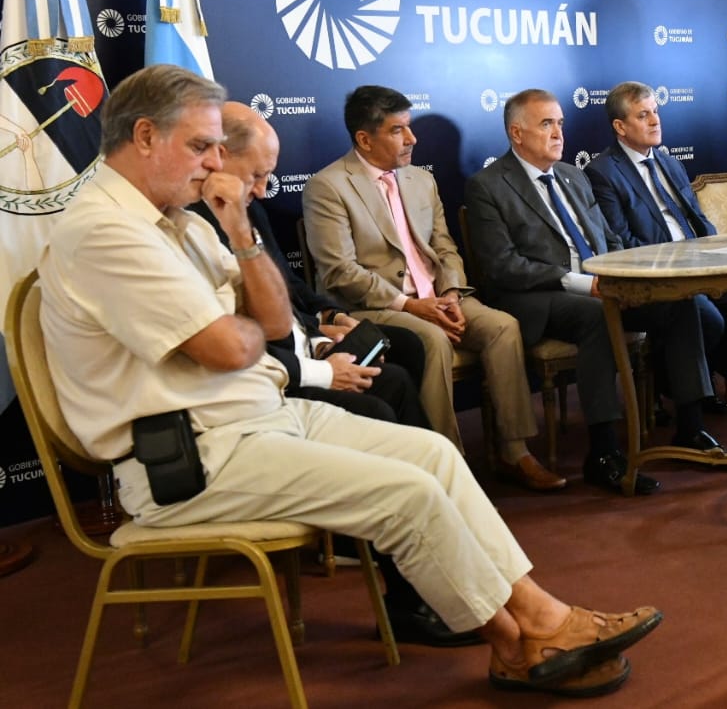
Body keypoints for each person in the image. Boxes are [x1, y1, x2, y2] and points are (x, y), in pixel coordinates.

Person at [37, 64, 661, 697]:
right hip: (187, 459)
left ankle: (536, 622)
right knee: (408, 495)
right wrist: (244, 328)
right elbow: (231, 348)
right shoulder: (103, 230)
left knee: (436, 456)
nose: (216, 164)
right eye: (201, 146)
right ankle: (520, 643)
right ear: (145, 136)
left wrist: (243, 236)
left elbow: (273, 322)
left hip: (257, 418)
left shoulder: (190, 222)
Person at [303, 86, 564, 491]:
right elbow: (340, 272)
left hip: (438, 298)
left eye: (409, 128)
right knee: (431, 340)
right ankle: (447, 466)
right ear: (365, 139)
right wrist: (409, 305)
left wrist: (452, 295)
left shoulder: (421, 180)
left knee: (502, 327)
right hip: (378, 306)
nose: (412, 139)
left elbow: (445, 247)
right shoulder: (328, 186)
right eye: (398, 131)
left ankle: (515, 451)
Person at [464, 88, 721, 495]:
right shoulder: (489, 186)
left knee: (678, 303)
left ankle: (690, 428)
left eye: (560, 123)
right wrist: (584, 283)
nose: (558, 133)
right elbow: (503, 266)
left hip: (602, 284)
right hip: (540, 296)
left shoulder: (573, 175)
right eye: (546, 124)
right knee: (598, 317)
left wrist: (625, 277)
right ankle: (603, 454)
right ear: (516, 133)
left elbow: (609, 241)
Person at [192, 102, 430, 431]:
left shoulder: (250, 208)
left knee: (404, 349)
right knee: (383, 395)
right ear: (219, 157)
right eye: (256, 176)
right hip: (269, 369)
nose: (263, 190)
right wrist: (318, 350)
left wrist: (329, 319)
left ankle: (427, 454)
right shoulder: (191, 225)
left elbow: (287, 284)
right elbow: (243, 332)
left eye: (268, 175)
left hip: (299, 339)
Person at [586, 81, 727, 408]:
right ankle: (690, 389)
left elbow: (698, 219)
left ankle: (700, 376)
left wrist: (719, 254)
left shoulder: (669, 162)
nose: (655, 120)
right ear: (620, 127)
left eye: (655, 112)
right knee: (709, 319)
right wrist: (679, 262)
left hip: (701, 264)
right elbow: (621, 242)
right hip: (659, 277)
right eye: (643, 115)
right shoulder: (603, 172)